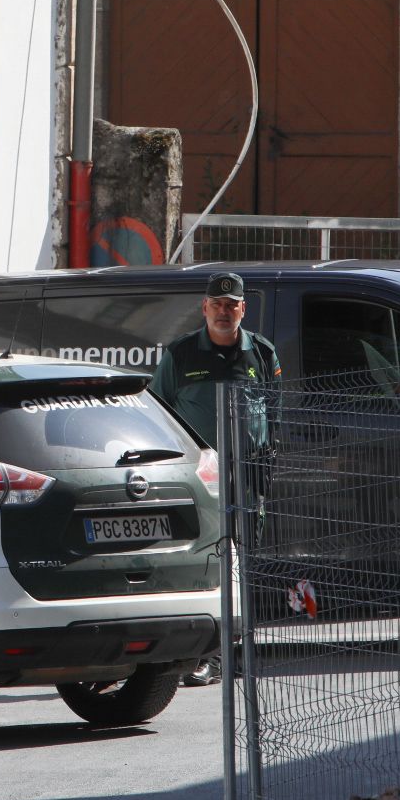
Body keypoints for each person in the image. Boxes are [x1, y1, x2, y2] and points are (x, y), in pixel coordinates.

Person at [148, 271, 282, 688]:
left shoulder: (261, 353)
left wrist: (266, 460)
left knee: (245, 564)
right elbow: (157, 412)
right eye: (217, 304)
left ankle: (236, 649)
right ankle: (208, 655)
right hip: (199, 478)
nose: (224, 312)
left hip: (247, 474)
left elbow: (275, 412)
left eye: (232, 305)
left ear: (243, 308)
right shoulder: (182, 353)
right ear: (204, 308)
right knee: (210, 563)